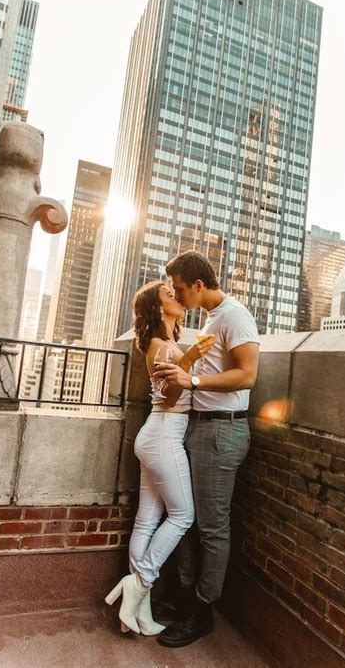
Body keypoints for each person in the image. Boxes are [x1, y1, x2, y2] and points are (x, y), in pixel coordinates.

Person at [154, 250, 260, 648]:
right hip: (200, 428)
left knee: (212, 527)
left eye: (181, 289)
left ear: (198, 284)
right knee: (185, 518)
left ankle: (201, 611)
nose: (179, 297)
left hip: (221, 433)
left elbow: (248, 375)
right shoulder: (211, 319)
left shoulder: (235, 315)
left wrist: (192, 383)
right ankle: (185, 597)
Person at [104, 280, 214, 635]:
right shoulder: (156, 344)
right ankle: (138, 584)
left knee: (147, 519)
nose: (177, 297)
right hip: (164, 433)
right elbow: (167, 397)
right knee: (183, 515)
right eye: (169, 294)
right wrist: (190, 359)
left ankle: (137, 612)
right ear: (157, 307)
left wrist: (186, 356)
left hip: (159, 435)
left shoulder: (168, 342)